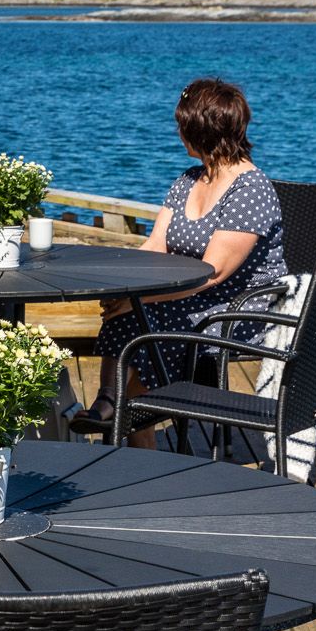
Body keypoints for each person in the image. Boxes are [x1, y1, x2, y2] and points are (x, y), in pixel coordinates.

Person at [74, 77, 286, 445]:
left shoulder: (251, 189)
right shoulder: (189, 180)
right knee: (129, 311)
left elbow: (213, 273)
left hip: (239, 308)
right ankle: (117, 411)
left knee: (140, 318)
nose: (177, 133)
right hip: (195, 295)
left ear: (199, 130)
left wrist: (139, 299)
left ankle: (115, 410)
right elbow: (156, 244)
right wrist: (120, 284)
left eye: (181, 125)